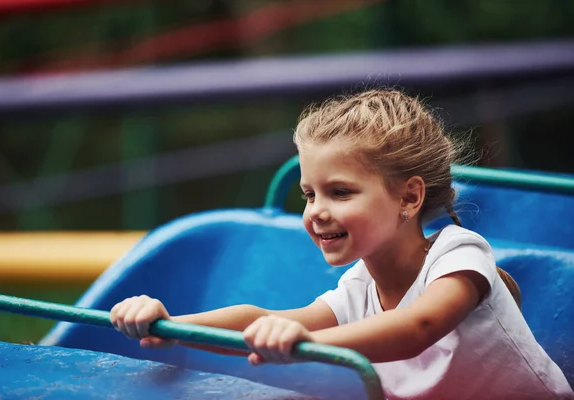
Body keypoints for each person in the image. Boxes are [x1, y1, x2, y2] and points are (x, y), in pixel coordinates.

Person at [110, 89, 573, 399]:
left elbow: (419, 327)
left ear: (408, 197)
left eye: (341, 192)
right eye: (310, 194)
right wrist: (171, 322)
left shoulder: (459, 253)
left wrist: (306, 341)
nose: (316, 210)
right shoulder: (359, 286)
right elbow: (262, 320)